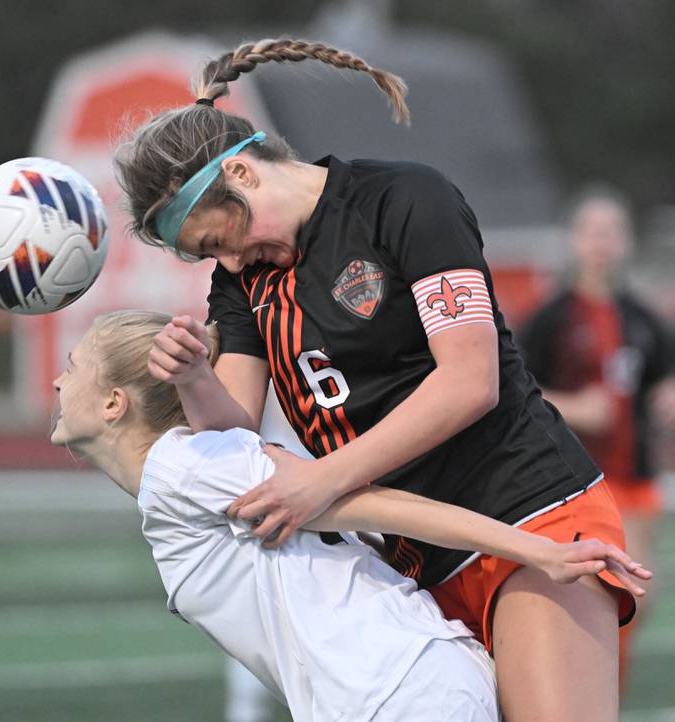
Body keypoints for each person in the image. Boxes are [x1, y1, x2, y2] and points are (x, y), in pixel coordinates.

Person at [113, 38, 648, 721]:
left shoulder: (402, 199)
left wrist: (325, 479)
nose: (229, 261)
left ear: (242, 174)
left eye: (218, 239)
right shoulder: (241, 285)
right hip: (415, 566)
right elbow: (234, 431)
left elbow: (470, 380)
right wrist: (192, 376)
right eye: (209, 257)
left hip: (529, 511)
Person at [49, 309, 649, 721]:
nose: (56, 379)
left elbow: (374, 505)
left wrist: (536, 549)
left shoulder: (185, 465)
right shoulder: (184, 476)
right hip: (388, 693)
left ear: (113, 403)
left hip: (402, 693)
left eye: (71, 366)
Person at [519, 187, 675, 686]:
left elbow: (663, 375)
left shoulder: (644, 318)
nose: (602, 243)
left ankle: (608, 697)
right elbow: (513, 391)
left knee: (635, 596)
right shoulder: (550, 319)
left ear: (626, 242)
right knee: (584, 599)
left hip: (635, 477)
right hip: (571, 480)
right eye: (593, 232)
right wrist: (575, 406)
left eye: (612, 232)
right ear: (575, 240)